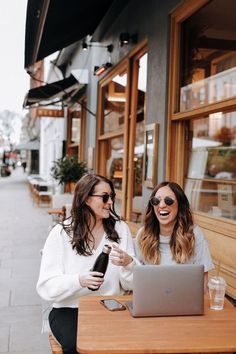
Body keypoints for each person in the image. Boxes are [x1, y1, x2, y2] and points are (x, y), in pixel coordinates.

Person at [36, 174, 136, 354]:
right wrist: (79, 281)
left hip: (110, 308)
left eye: (112, 196)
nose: (111, 202)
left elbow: (131, 284)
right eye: (105, 197)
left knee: (130, 343)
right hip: (70, 310)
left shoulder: (121, 230)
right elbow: (46, 287)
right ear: (86, 198)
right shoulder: (61, 233)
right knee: (79, 346)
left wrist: (129, 264)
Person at [134, 181, 214, 290]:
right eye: (156, 201)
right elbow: (136, 280)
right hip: (152, 303)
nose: (161, 205)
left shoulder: (194, 234)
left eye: (168, 200)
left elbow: (203, 285)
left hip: (185, 304)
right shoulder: (143, 235)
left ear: (180, 205)